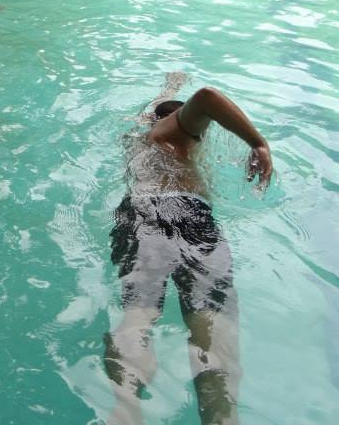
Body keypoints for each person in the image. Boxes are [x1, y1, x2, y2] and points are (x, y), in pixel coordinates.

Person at [103, 76, 273, 425]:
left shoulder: (141, 138)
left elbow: (153, 112)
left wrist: (167, 90)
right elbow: (208, 97)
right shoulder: (178, 135)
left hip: (137, 216)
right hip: (186, 215)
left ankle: (125, 411)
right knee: (212, 325)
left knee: (138, 316)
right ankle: (221, 418)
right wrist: (259, 143)